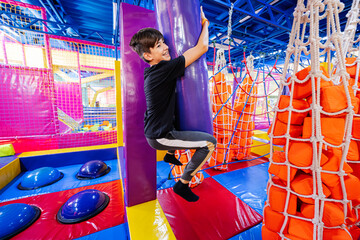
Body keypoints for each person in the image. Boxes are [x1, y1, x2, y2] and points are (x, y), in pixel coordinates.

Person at [129, 7, 216, 202]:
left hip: (156, 128)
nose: (166, 47)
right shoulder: (164, 70)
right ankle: (183, 183)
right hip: (160, 136)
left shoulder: (151, 71)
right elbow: (202, 48)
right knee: (210, 143)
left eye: (164, 43)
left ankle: (170, 154)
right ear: (149, 56)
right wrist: (205, 24)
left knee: (174, 109)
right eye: (159, 46)